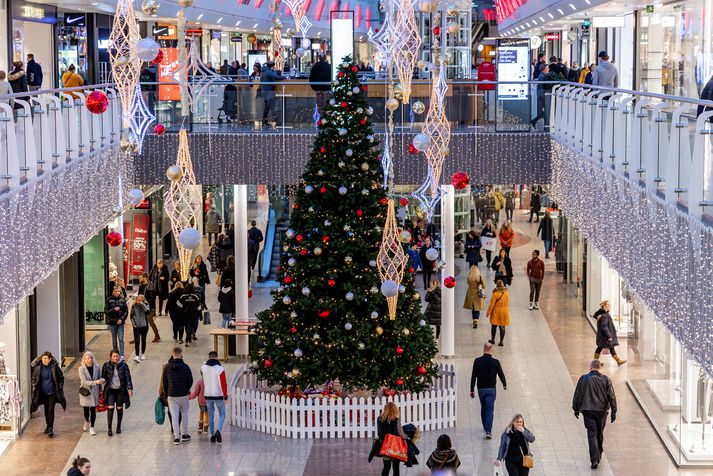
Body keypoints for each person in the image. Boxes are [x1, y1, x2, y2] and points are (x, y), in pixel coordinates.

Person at [572, 360, 617, 469]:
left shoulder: (583, 378)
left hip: (587, 410)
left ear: (590, 367)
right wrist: (614, 411)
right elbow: (611, 396)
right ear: (599, 368)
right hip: (602, 411)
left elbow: (577, 395)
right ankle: (599, 453)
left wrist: (576, 408)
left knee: (592, 433)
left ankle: (594, 459)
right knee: (599, 432)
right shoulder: (606, 379)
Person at [469, 342, 507, 439]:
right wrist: (504, 384)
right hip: (491, 389)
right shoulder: (495, 362)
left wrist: (472, 389)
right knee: (490, 410)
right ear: (491, 350)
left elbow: (473, 376)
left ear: (483, 349)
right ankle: (488, 431)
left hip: (481, 389)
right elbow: (501, 374)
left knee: (483, 407)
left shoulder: (477, 361)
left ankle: (485, 425)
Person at [30, 351, 66, 437]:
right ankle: (48, 425)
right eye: (43, 358)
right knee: (46, 410)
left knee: (50, 410)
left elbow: (61, 377)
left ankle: (51, 428)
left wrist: (60, 387)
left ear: (50, 359)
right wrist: (34, 386)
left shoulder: (54, 367)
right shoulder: (38, 367)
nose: (44, 360)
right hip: (42, 393)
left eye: (46, 358)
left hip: (52, 392)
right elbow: (34, 378)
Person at [162, 347, 193, 445]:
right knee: (185, 414)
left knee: (174, 416)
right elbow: (190, 380)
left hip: (172, 395)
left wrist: (167, 393)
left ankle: (176, 437)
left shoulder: (167, 367)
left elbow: (164, 382)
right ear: (181, 354)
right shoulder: (185, 367)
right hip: (183, 394)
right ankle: (185, 434)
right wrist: (187, 389)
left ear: (173, 354)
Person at [101, 349, 133, 436]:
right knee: (110, 407)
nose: (115, 358)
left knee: (119, 408)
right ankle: (109, 428)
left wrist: (130, 388)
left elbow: (128, 378)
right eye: (114, 356)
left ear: (119, 356)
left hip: (120, 390)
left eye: (117, 356)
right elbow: (103, 377)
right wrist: (102, 382)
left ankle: (118, 426)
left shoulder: (124, 365)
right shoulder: (106, 365)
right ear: (110, 357)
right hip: (110, 390)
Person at [202, 351, 228, 443]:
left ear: (208, 357)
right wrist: (225, 396)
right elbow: (223, 384)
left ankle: (212, 435)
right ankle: (218, 431)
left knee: (210, 415)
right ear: (217, 357)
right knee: (222, 414)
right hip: (218, 395)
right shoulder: (220, 369)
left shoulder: (203, 368)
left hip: (208, 395)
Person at [376, 402, 409, 475]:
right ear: (394, 409)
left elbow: (379, 432)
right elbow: (401, 433)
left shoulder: (379, 419)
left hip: (384, 446)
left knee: (386, 467)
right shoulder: (396, 419)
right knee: (396, 468)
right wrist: (407, 436)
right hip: (395, 448)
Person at [78, 351, 104, 436]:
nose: (88, 360)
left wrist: (101, 384)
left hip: (95, 391)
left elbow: (99, 378)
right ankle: (86, 420)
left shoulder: (97, 367)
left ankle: (92, 427)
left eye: (89, 358)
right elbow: (84, 382)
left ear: (92, 359)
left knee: (93, 410)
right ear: (84, 360)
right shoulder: (81, 369)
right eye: (86, 358)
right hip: (86, 391)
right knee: (86, 410)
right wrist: (96, 382)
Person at [594, 301, 627, 366]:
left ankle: (618, 361)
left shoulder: (604, 314)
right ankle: (618, 361)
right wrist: (609, 335)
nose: (610, 306)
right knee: (602, 347)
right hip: (605, 336)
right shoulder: (605, 315)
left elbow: (596, 316)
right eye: (608, 304)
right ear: (605, 306)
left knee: (608, 347)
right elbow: (604, 326)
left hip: (603, 335)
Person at [260, 61, 287, 126]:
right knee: (271, 106)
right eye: (273, 66)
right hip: (268, 92)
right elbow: (277, 77)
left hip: (266, 91)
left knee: (267, 107)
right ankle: (275, 121)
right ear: (272, 66)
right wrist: (285, 77)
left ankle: (265, 120)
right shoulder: (268, 72)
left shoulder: (265, 71)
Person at [105, 287, 128, 357]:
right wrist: (113, 309)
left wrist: (122, 319)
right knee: (114, 340)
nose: (117, 292)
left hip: (120, 323)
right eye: (116, 291)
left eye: (119, 291)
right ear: (113, 292)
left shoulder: (122, 300)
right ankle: (115, 354)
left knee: (121, 339)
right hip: (112, 323)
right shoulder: (109, 300)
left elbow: (126, 311)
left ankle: (122, 355)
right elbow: (106, 311)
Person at [487, 280, 510, 346]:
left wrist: (488, 313)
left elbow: (492, 305)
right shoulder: (506, 293)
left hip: (496, 312)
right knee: (502, 327)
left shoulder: (495, 294)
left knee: (494, 326)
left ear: (497, 285)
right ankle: (501, 341)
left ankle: (493, 339)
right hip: (504, 312)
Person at [138, 272, 160, 343]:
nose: (139, 279)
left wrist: (148, 305)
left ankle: (157, 335)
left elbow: (152, 297)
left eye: (140, 278)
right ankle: (140, 336)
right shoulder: (141, 286)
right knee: (144, 322)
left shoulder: (150, 285)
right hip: (142, 306)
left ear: (145, 278)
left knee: (150, 321)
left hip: (149, 307)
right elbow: (139, 295)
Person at [463, 264, 486, 329]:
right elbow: (484, 286)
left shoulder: (469, 277)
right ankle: (476, 320)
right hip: (478, 294)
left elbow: (467, 283)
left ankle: (474, 319)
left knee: (473, 308)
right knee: (477, 308)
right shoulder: (480, 277)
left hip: (470, 294)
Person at [129, 294, 150, 363]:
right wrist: (134, 325)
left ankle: (143, 353)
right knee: (137, 341)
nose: (138, 301)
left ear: (143, 300)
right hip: (136, 327)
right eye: (137, 300)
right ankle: (137, 355)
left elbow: (147, 312)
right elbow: (131, 316)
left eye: (140, 300)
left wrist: (142, 304)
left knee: (143, 340)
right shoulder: (134, 306)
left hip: (144, 326)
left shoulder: (146, 305)